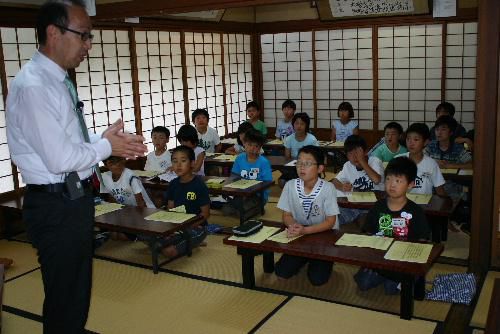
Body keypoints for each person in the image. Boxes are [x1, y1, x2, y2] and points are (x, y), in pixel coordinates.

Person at [5, 1, 146, 332]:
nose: (88, 45)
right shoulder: (35, 85)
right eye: (83, 36)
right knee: (66, 296)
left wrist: (103, 139)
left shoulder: (55, 80)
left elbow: (65, 143)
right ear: (54, 33)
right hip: (56, 204)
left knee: (74, 292)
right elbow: (60, 160)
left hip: (71, 200)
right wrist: (106, 146)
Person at [354, 156, 430, 294]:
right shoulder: (378, 207)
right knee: (363, 283)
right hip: (380, 259)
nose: (392, 185)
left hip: (403, 261)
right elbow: (368, 232)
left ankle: (403, 279)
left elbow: (422, 241)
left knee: (391, 289)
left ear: (410, 184)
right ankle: (385, 275)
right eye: (388, 179)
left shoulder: (416, 211)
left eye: (398, 181)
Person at [275, 145, 339, 286]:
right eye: (299, 162)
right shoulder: (290, 186)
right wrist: (294, 227)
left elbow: (330, 221)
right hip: (300, 236)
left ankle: (325, 259)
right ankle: (302, 258)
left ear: (320, 168)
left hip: (324, 235)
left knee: (317, 280)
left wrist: (305, 230)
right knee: (281, 273)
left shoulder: (328, 188)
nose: (302, 167)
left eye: (308, 163)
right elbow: (286, 215)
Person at [159, 145, 210, 259]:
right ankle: (189, 242)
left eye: (183, 161)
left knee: (169, 252)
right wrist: (171, 229)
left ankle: (195, 241)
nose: (178, 165)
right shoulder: (173, 184)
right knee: (154, 240)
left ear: (192, 163)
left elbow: (205, 214)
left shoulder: (199, 184)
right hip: (177, 227)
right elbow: (171, 209)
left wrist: (186, 227)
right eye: (174, 161)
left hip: (197, 228)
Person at [332, 135, 384, 225]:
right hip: (355, 205)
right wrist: (342, 186)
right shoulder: (348, 165)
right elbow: (334, 181)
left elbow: (376, 180)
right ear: (346, 155)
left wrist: (362, 161)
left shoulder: (375, 161)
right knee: (334, 217)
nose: (355, 157)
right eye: (350, 153)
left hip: (375, 205)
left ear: (365, 152)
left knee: (366, 221)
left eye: (357, 153)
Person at [100, 156, 154, 240]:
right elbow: (112, 201)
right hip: (124, 213)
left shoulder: (131, 176)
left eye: (119, 160)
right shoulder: (104, 178)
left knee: (121, 236)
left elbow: (141, 204)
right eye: (112, 163)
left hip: (143, 213)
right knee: (114, 234)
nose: (117, 165)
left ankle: (138, 237)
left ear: (124, 160)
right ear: (106, 165)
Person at [222, 129, 272, 216]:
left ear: (260, 147)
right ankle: (244, 208)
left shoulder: (263, 162)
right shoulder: (239, 158)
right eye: (249, 145)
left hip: (257, 196)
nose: (252, 148)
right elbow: (234, 176)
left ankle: (256, 207)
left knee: (243, 212)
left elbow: (267, 183)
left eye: (256, 146)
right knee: (226, 210)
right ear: (244, 144)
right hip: (241, 193)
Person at [426, 115, 472, 201]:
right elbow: (420, 158)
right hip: (432, 186)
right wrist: (434, 162)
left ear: (451, 132)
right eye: (437, 129)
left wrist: (450, 165)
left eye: (443, 129)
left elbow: (471, 164)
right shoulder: (431, 145)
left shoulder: (457, 148)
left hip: (452, 185)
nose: (439, 132)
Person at [396, 123, 446, 196]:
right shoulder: (398, 160)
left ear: (425, 142)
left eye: (416, 139)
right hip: (401, 204)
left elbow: (440, 190)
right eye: (408, 138)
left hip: (424, 206)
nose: (411, 143)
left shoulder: (431, 164)